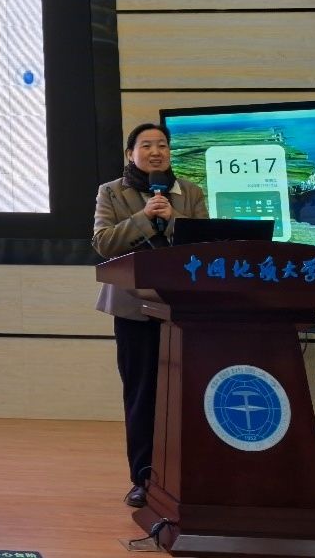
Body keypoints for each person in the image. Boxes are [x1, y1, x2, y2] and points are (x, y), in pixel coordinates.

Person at [93, 122, 207, 509]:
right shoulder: (111, 192)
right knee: (142, 395)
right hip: (133, 309)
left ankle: (185, 477)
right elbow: (103, 243)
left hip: (184, 309)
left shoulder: (190, 192)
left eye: (162, 145)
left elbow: (206, 245)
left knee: (185, 394)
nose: (156, 151)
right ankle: (143, 478)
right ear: (131, 154)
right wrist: (143, 217)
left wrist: (173, 219)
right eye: (146, 145)